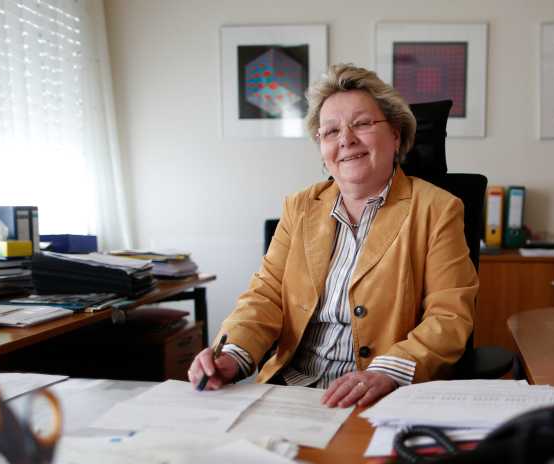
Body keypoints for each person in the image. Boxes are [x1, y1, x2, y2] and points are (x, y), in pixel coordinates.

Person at [188, 63, 479, 408]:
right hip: (291, 390)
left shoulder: (437, 209)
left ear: (396, 135)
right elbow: (265, 296)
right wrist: (232, 353)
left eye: (362, 124)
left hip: (379, 396)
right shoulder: (301, 207)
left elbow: (449, 316)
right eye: (330, 131)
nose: (346, 140)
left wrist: (386, 372)